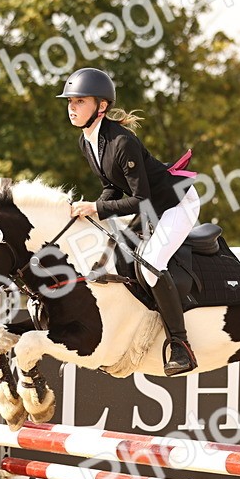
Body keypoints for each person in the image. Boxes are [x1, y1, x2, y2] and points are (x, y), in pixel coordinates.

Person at [59, 67, 200, 376]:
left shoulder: (123, 141)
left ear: (102, 106)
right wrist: (90, 208)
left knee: (150, 266)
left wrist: (96, 207)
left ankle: (180, 345)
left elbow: (140, 199)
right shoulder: (87, 142)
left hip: (176, 204)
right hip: (150, 206)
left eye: (79, 101)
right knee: (116, 257)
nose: (72, 108)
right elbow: (113, 185)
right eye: (70, 102)